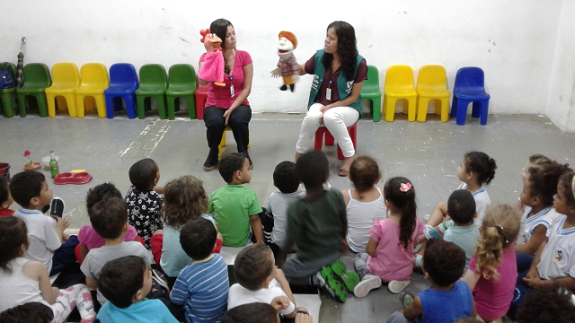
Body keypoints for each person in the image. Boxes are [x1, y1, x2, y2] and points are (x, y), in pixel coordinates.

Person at [294, 21, 367, 177]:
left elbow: (354, 96)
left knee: (331, 116)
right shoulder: (321, 56)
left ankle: (349, 158)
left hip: (349, 106)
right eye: (327, 36)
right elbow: (302, 69)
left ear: (344, 43)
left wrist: (332, 107)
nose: (326, 40)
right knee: (312, 117)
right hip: (321, 103)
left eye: (331, 38)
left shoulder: (359, 63)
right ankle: (299, 154)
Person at [0, 217, 96, 323]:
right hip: (42, 318)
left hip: (7, 318)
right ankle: (88, 318)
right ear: (23, 246)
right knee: (81, 288)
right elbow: (49, 300)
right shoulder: (35, 266)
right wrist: (53, 291)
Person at [508, 171, 575, 319]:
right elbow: (545, 242)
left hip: (557, 290)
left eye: (558, 196)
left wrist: (543, 285)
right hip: (538, 274)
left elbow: (572, 281)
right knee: (506, 291)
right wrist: (534, 269)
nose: (553, 198)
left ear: (572, 209)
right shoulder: (558, 217)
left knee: (522, 308)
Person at [280, 151, 348, 298]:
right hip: (335, 252)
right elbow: (344, 222)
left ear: (300, 179)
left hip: (310, 258)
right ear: (326, 176)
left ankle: (316, 279)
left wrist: (281, 260)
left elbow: (289, 241)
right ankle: (331, 269)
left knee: (282, 276)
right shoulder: (335, 195)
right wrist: (343, 241)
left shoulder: (297, 208)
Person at [353, 177, 424, 297]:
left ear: (387, 203)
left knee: (360, 257)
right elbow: (416, 242)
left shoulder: (381, 226)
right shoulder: (416, 224)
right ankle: (401, 281)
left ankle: (368, 277)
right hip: (404, 271)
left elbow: (370, 250)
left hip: (379, 270)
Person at [199, 18, 253, 171]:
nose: (233, 37)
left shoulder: (244, 56)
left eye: (233, 33)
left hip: (239, 102)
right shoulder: (206, 57)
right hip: (215, 103)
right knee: (215, 122)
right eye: (228, 35)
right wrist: (211, 55)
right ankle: (213, 152)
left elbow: (247, 88)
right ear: (219, 39)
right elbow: (202, 82)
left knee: (239, 119)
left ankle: (243, 152)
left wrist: (231, 108)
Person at [150, 176, 222, 287]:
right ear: (202, 199)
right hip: (198, 270)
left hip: (170, 272)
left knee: (157, 234)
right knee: (218, 235)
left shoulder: (167, 216)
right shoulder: (207, 220)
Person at [80, 196, 152, 305]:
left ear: (96, 231)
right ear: (125, 227)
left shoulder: (92, 256)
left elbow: (91, 284)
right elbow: (148, 271)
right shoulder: (138, 248)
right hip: (136, 298)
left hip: (106, 302)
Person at [386, 238, 475, 323]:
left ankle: (413, 307)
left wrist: (408, 309)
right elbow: (473, 315)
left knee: (397, 317)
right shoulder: (464, 286)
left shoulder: (422, 300)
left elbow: (407, 314)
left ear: (427, 275)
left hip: (420, 306)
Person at [10, 171, 77, 276]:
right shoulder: (45, 221)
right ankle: (56, 218)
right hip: (46, 268)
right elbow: (55, 247)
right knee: (75, 241)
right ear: (35, 200)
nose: (50, 189)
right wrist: (59, 228)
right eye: (46, 189)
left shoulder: (16, 215)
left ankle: (50, 215)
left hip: (27, 266)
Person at [463, 204, 521, 322]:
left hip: (482, 312)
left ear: (481, 229)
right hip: (502, 309)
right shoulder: (511, 247)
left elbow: (465, 289)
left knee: (456, 284)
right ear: (515, 238)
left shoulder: (483, 254)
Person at [170, 218, 229, 323]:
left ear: (185, 252)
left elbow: (176, 300)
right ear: (214, 246)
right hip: (221, 318)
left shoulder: (186, 274)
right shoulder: (220, 260)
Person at [228, 243, 301, 320]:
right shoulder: (276, 293)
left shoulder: (233, 289)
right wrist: (283, 281)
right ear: (267, 280)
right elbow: (292, 314)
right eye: (273, 263)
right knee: (302, 310)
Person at [415, 190, 480, 275]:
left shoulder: (450, 236)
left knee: (415, 262)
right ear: (475, 214)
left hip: (457, 277)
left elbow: (441, 261)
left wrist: (420, 261)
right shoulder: (473, 226)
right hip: (466, 269)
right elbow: (441, 228)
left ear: (448, 213)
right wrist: (421, 239)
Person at [97, 256, 178, 323]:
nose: (150, 273)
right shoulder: (157, 307)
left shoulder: (105, 308)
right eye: (147, 275)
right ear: (138, 295)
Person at [426, 151, 497, 227]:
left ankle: (435, 231)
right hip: (457, 216)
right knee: (440, 205)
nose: (458, 168)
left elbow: (477, 227)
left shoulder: (482, 201)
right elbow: (453, 206)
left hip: (464, 226)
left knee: (444, 223)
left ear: (470, 175)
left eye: (461, 166)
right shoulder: (464, 186)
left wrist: (445, 223)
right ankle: (428, 227)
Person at [209, 153, 264, 246]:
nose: (250, 171)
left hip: (220, 242)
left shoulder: (215, 195)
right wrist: (261, 243)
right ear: (238, 174)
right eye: (248, 169)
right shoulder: (250, 194)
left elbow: (205, 213)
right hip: (243, 243)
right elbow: (255, 219)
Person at [77, 183, 140, 263]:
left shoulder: (85, 232)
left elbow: (85, 259)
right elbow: (138, 259)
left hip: (98, 271)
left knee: (78, 247)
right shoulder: (130, 231)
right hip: (125, 270)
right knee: (140, 241)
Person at [515, 159, 567, 257]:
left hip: (530, 257)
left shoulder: (543, 223)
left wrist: (505, 248)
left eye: (524, 191)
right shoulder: (532, 207)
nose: (521, 194)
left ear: (535, 200)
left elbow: (529, 249)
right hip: (520, 245)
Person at [341, 156, 386, 253]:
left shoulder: (345, 195)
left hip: (355, 246)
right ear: (377, 179)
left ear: (350, 177)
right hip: (379, 246)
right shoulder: (382, 193)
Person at [261, 161, 305, 257]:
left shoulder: (273, 197)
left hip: (278, 245)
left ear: (275, 184)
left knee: (264, 211)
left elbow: (269, 214)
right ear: (300, 181)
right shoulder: (306, 195)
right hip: (302, 245)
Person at [125, 158, 164, 249]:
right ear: (155, 181)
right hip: (149, 238)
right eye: (158, 171)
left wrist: (165, 189)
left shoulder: (132, 189)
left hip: (134, 234)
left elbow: (151, 191)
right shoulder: (155, 199)